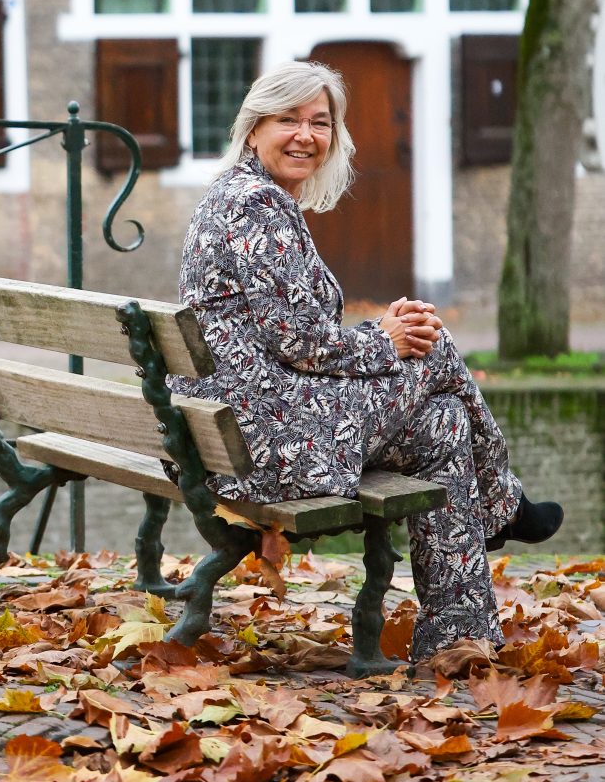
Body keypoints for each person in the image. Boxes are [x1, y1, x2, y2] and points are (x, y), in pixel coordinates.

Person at [169, 60, 563, 661]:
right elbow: (301, 343)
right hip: (266, 447)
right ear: (253, 129)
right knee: (434, 349)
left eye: (320, 122)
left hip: (239, 432)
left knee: (443, 426)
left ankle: (457, 636)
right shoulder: (256, 207)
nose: (306, 135)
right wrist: (387, 338)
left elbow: (288, 338)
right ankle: (504, 503)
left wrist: (385, 333)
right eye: (288, 120)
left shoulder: (234, 197)